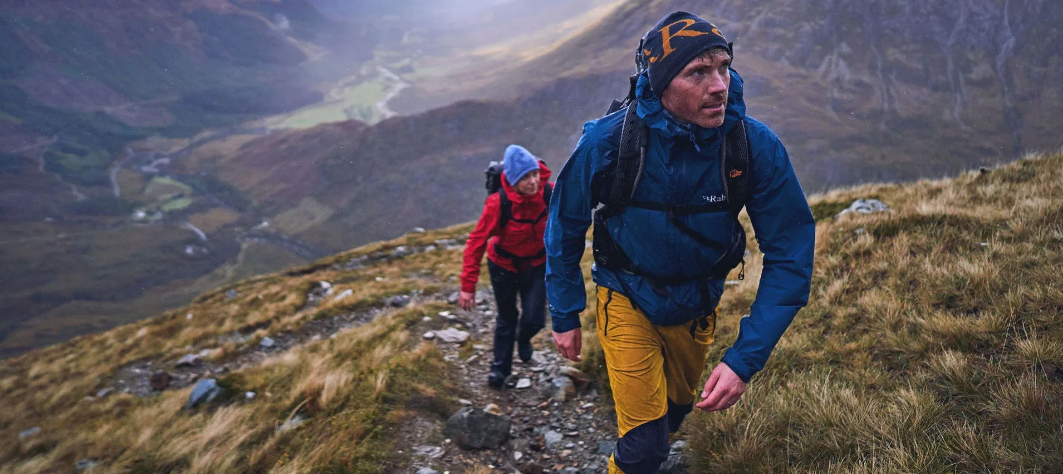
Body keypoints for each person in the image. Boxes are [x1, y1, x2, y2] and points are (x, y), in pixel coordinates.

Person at [544, 11, 815, 473]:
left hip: (697, 304)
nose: (719, 85)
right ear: (662, 84)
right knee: (645, 448)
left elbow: (791, 255)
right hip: (624, 293)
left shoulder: (752, 147)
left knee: (673, 416)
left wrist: (743, 361)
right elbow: (565, 224)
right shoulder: (609, 143)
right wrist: (565, 312)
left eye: (724, 67)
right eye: (698, 72)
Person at [461, 145, 553, 388]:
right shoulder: (497, 204)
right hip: (503, 266)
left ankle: (523, 340)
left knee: (535, 319)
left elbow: (569, 218)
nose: (533, 182)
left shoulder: (548, 193)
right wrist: (468, 285)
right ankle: (499, 370)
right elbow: (476, 242)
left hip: (537, 265)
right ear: (513, 181)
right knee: (507, 317)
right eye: (525, 178)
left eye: (534, 174)